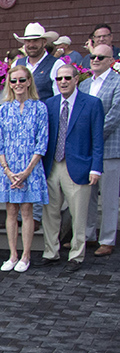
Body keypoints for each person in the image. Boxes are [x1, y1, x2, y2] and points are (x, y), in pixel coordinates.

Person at [39, 65, 105, 271]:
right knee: (50, 213)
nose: (63, 82)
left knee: (78, 215)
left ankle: (76, 255)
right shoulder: (49, 104)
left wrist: (96, 168)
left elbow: (97, 139)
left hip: (79, 165)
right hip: (52, 165)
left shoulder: (92, 104)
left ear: (77, 79)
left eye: (67, 77)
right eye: (59, 79)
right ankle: (51, 253)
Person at [0, 66, 49, 273]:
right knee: (10, 211)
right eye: (14, 81)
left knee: (26, 211)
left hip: (30, 167)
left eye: (21, 80)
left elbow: (41, 143)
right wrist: (7, 171)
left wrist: (27, 171)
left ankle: (26, 255)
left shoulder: (40, 108)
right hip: (8, 168)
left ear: (29, 82)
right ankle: (12, 254)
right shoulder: (3, 109)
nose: (18, 84)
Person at [80, 45, 120, 257]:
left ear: (111, 60)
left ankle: (107, 239)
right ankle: (88, 235)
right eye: (92, 56)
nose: (95, 60)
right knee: (89, 195)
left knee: (110, 197)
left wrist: (93, 138)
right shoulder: (85, 84)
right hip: (88, 149)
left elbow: (114, 115)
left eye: (100, 57)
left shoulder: (118, 82)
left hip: (109, 148)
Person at [12, 22, 66, 102]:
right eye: (28, 41)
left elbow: (59, 98)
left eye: (35, 41)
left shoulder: (57, 65)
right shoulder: (16, 64)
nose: (31, 45)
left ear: (44, 42)